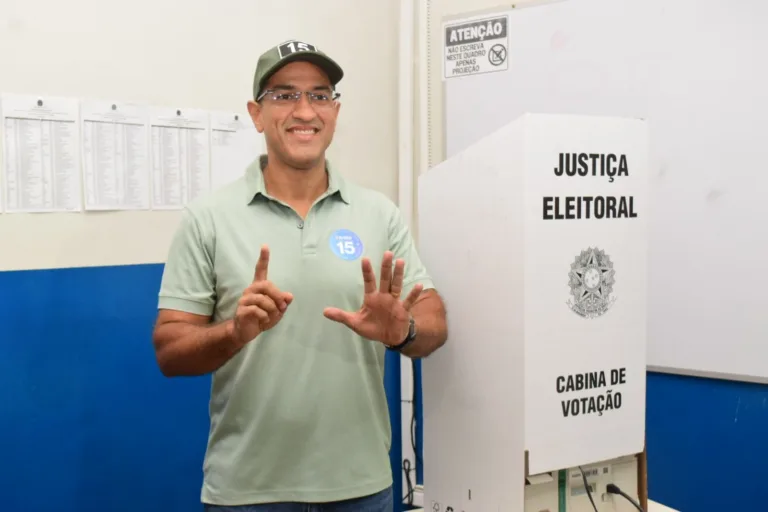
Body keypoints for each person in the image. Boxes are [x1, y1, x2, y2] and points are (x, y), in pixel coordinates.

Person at [151, 40, 448, 511]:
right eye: (284, 95)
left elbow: (433, 321)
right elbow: (170, 350)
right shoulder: (208, 217)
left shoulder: (378, 214)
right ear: (256, 112)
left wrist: (403, 332)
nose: (304, 110)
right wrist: (235, 331)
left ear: (335, 110)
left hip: (361, 486)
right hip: (248, 492)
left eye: (320, 94)